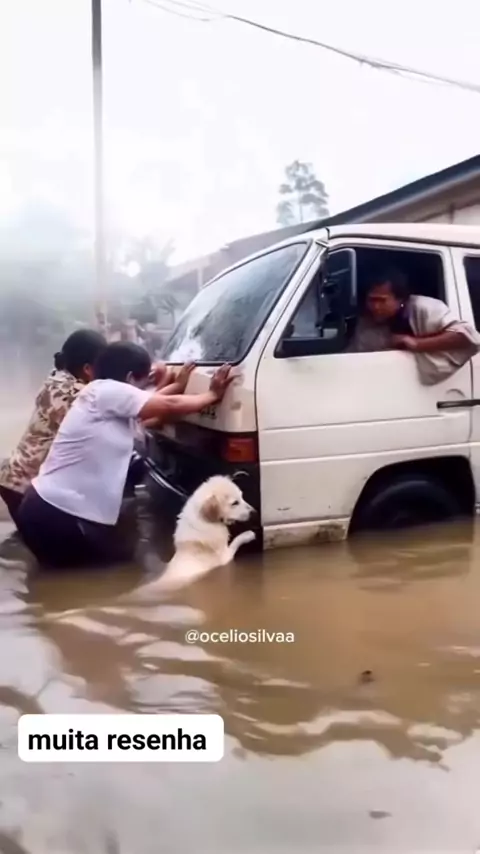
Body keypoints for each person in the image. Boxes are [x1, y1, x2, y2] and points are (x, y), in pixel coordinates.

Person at [16, 342, 234, 569]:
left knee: (67, 582)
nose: (144, 388)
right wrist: (212, 394)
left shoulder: (100, 394)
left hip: (47, 509)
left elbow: (151, 400)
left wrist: (177, 384)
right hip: (59, 515)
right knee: (113, 574)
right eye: (143, 381)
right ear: (130, 377)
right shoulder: (107, 391)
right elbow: (167, 404)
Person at [0, 328, 107, 526]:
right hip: (25, 486)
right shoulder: (73, 393)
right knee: (48, 540)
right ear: (88, 369)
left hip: (14, 478)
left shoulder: (56, 379)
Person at [347, 268, 480, 384]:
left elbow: (467, 336)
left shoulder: (423, 309)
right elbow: (354, 354)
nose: (375, 307)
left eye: (382, 300)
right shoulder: (368, 321)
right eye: (371, 300)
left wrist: (417, 344)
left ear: (400, 299)